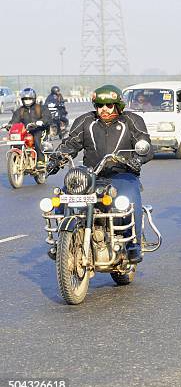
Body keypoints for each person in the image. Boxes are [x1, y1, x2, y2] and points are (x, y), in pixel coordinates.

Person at [47, 84, 153, 263]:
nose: (104, 109)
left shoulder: (131, 120)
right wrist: (57, 159)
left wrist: (137, 160)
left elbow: (145, 146)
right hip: (91, 176)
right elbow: (70, 144)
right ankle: (62, 241)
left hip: (122, 173)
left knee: (128, 199)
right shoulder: (86, 121)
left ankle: (132, 243)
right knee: (64, 196)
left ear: (118, 106)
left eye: (109, 105)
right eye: (100, 105)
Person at [10, 88, 52, 168]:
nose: (27, 101)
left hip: (39, 130)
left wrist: (41, 122)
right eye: (25, 99)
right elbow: (14, 120)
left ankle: (40, 160)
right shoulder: (20, 110)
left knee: (36, 138)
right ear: (22, 100)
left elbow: (47, 117)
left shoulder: (41, 108)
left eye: (29, 99)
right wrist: (10, 125)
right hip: (26, 130)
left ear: (33, 99)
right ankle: (16, 159)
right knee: (15, 140)